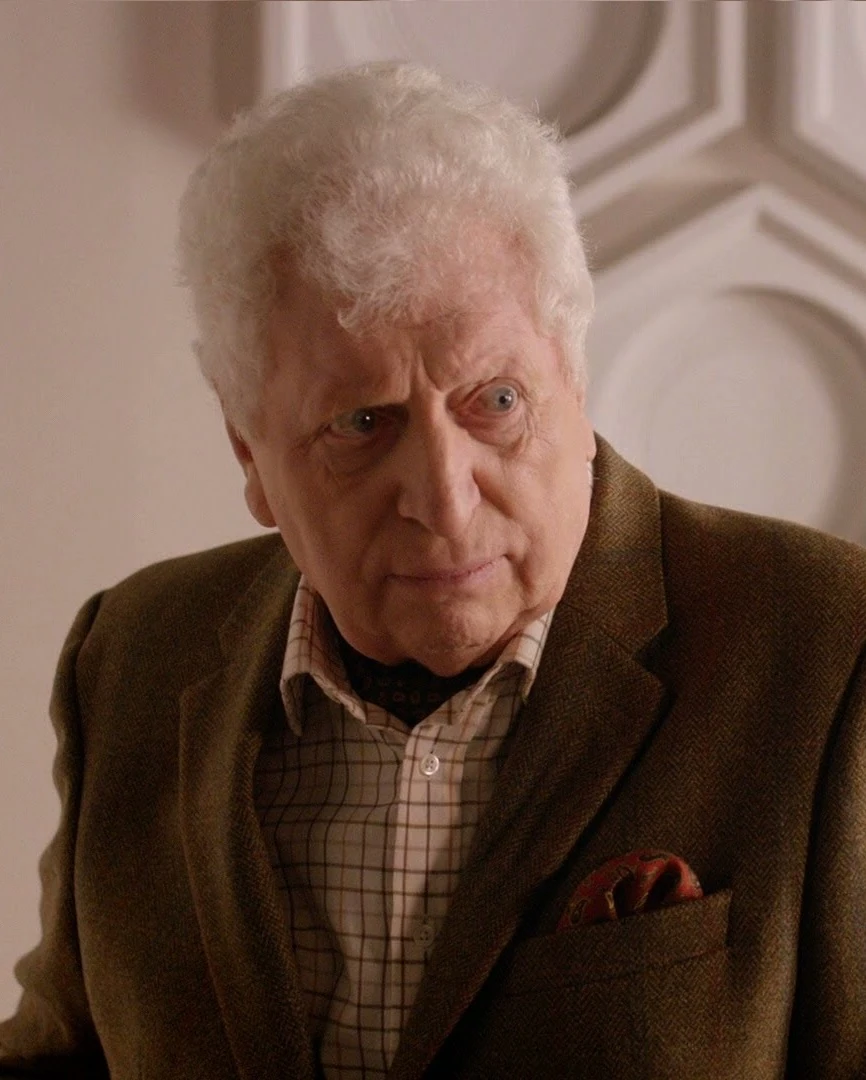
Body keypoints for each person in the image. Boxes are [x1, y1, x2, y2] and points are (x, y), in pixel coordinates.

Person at [1, 61, 864, 1080]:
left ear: (572, 374)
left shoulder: (826, 647)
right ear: (250, 456)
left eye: (495, 401)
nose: (444, 500)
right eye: (362, 423)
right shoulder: (130, 656)